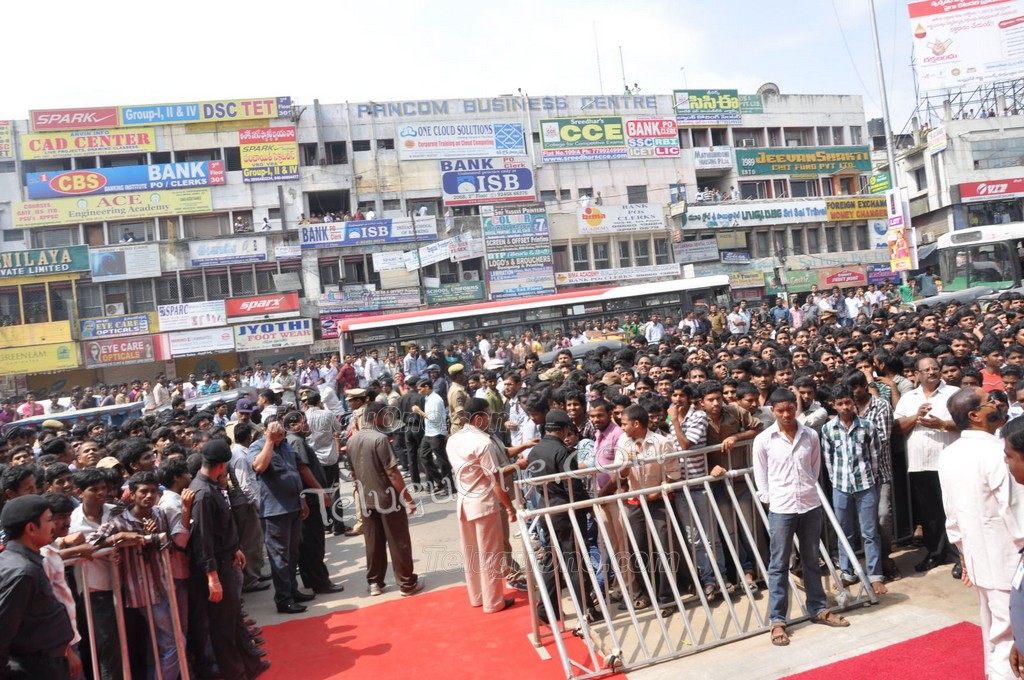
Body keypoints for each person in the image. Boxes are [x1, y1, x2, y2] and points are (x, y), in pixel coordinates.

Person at [754, 389, 849, 647]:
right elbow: (761, 476)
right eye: (780, 410)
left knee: (811, 559)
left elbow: (814, 469)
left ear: (795, 407)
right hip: (781, 508)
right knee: (778, 564)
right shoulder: (764, 440)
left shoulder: (810, 435)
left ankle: (818, 608)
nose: (786, 415)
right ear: (772, 411)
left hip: (809, 504)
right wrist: (772, 501)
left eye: (789, 409)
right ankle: (777, 620)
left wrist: (805, 491)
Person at [940, 387, 1021, 680]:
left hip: (980, 559)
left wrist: (964, 554)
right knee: (1012, 637)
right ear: (975, 415)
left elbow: (951, 516)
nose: (997, 404)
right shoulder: (997, 454)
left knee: (995, 633)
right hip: (1010, 562)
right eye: (990, 401)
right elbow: (1016, 512)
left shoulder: (949, 454)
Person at [189, 439, 270, 679]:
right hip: (217, 568)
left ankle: (250, 665)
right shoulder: (203, 494)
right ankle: (235, 673)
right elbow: (203, 540)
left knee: (234, 619)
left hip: (227, 560)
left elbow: (220, 528)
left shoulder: (210, 487)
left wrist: (235, 548)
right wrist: (212, 577)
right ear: (222, 465)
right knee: (223, 628)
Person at [346, 402, 425, 597]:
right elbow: (392, 473)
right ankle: (407, 583)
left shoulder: (352, 440)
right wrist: (408, 499)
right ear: (375, 417)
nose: (388, 419)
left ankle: (375, 582)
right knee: (398, 541)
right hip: (387, 499)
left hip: (366, 499)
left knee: (373, 542)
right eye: (385, 415)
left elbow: (353, 473)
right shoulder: (380, 439)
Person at [447, 398, 517, 613]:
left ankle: (477, 597)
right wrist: (509, 507)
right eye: (487, 415)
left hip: (465, 502)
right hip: (484, 503)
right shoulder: (483, 443)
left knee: (472, 554)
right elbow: (494, 480)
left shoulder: (453, 439)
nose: (490, 419)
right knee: (490, 554)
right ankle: (493, 601)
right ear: (478, 418)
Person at [893, 356, 961, 574]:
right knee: (930, 514)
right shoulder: (908, 398)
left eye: (935, 368)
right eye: (927, 369)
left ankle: (961, 556)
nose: (932, 372)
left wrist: (942, 424)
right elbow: (897, 427)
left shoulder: (953, 393)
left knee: (954, 510)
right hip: (920, 465)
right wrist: (916, 416)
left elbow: (965, 422)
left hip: (949, 463)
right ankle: (935, 553)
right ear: (917, 374)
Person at [0, 495, 76, 679]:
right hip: (34, 669)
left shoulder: (25, 561)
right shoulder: (22, 572)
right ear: (31, 528)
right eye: (49, 520)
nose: (54, 526)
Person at [820, 385, 886, 595]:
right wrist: (835, 481)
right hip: (840, 487)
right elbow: (828, 459)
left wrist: (871, 478)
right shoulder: (828, 429)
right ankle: (847, 573)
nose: (845, 407)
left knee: (870, 532)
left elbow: (874, 456)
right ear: (834, 405)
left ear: (853, 402)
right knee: (844, 532)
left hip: (865, 485)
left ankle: (875, 575)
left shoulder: (867, 426)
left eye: (848, 402)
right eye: (840, 404)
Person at [248, 420, 313, 614]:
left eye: (281, 432)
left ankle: (292, 590)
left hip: (293, 507)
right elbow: (259, 466)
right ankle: (284, 599)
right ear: (266, 431)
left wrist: (302, 499)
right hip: (275, 511)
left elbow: (294, 472)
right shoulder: (258, 446)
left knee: (293, 554)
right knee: (279, 557)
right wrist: (270, 441)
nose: (279, 435)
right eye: (275, 431)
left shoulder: (286, 446)